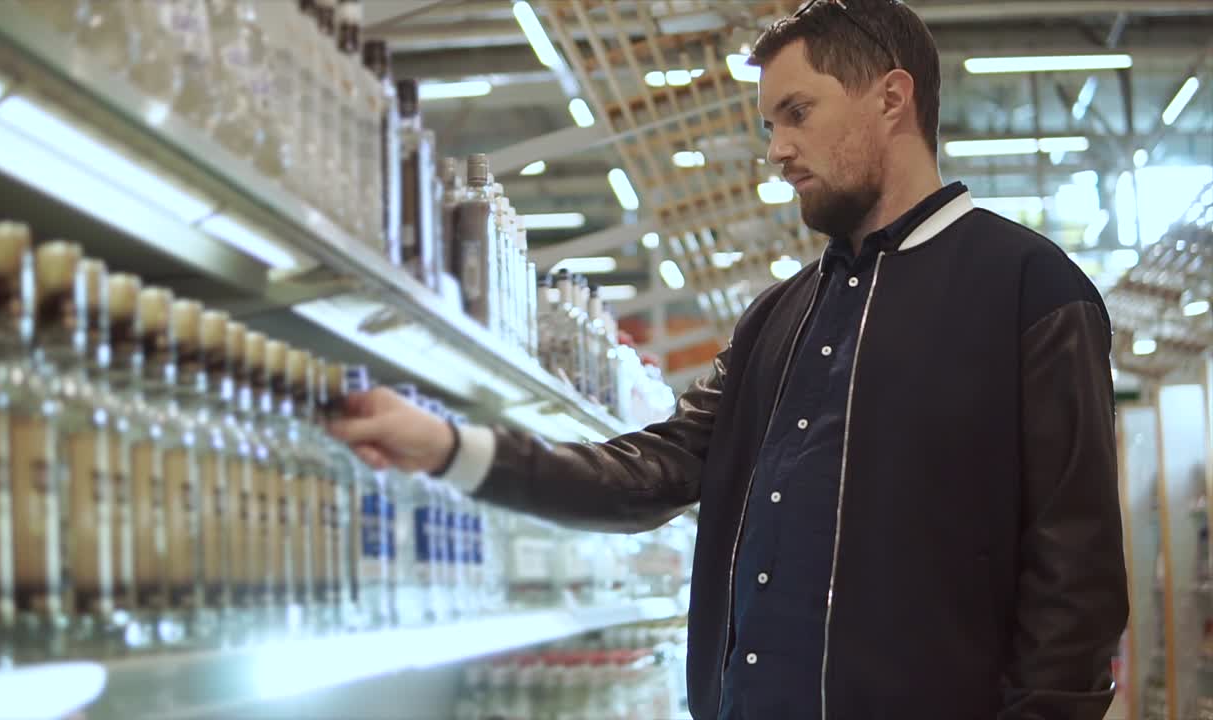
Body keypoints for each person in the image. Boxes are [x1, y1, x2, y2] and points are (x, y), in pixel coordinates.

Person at [328, 0, 1129, 717]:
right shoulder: (777, 317)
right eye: (767, 126)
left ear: (892, 98)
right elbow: (658, 468)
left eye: (796, 112)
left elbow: (1077, 576)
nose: (777, 150)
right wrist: (450, 449)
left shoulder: (1030, 289)